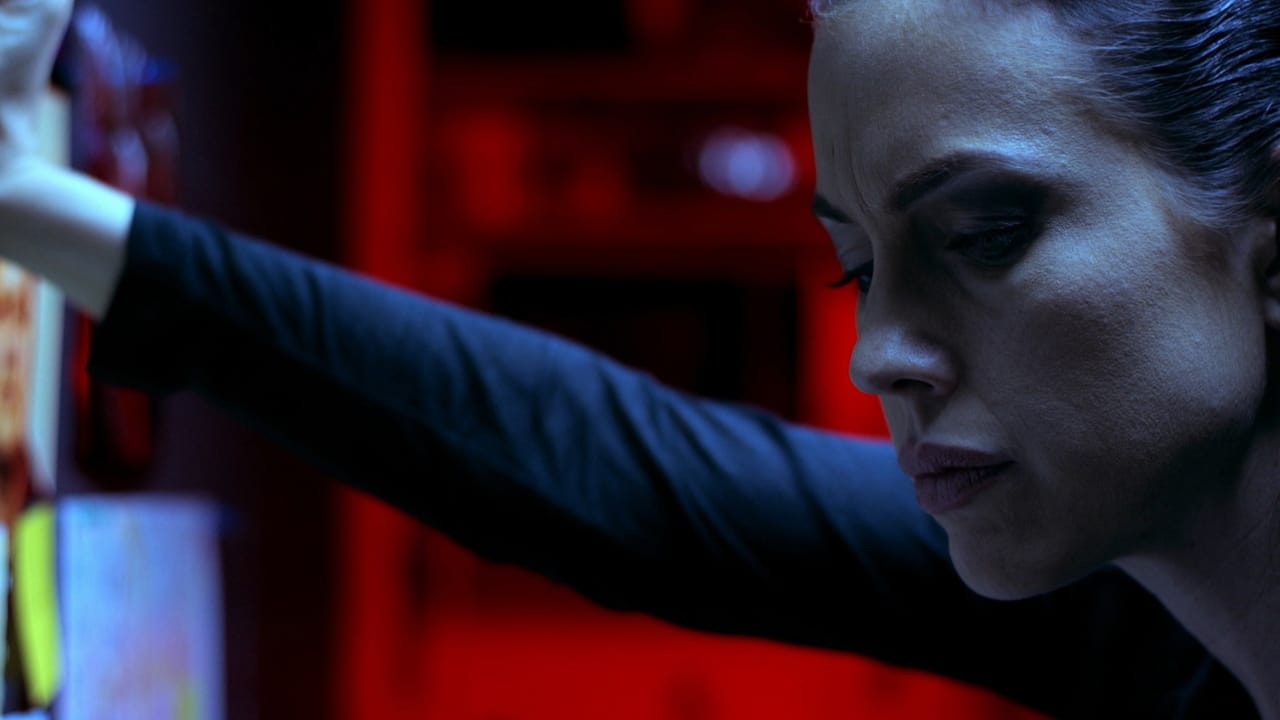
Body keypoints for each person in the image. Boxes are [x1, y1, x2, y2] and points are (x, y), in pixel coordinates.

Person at [0, 0, 1276, 716]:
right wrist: (33, 205)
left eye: (984, 235)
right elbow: (623, 471)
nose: (875, 356)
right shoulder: (1139, 590)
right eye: (856, 268)